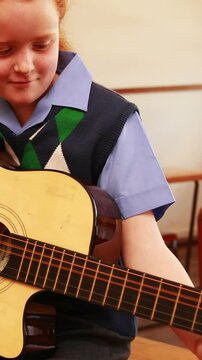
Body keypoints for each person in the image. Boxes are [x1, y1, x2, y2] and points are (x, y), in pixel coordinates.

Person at [0, 0, 201, 359]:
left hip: (85, 323)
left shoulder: (110, 122)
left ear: (58, 26)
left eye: (42, 45)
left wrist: (196, 335)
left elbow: (146, 249)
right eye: (3, 50)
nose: (25, 66)